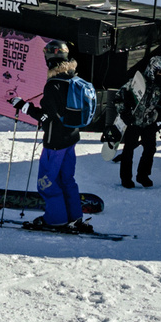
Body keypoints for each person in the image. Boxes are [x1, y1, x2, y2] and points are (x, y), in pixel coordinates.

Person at [23, 49, 95, 233]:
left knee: (46, 182)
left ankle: (56, 220)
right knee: (67, 179)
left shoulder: (53, 85)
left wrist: (25, 107)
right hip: (70, 139)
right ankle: (74, 217)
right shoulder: (72, 79)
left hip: (54, 142)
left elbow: (46, 117)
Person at [111, 67, 160, 189]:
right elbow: (118, 97)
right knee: (129, 149)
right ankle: (126, 178)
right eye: (160, 71)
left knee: (150, 148)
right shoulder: (137, 81)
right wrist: (124, 113)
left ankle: (143, 175)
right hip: (134, 122)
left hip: (149, 122)